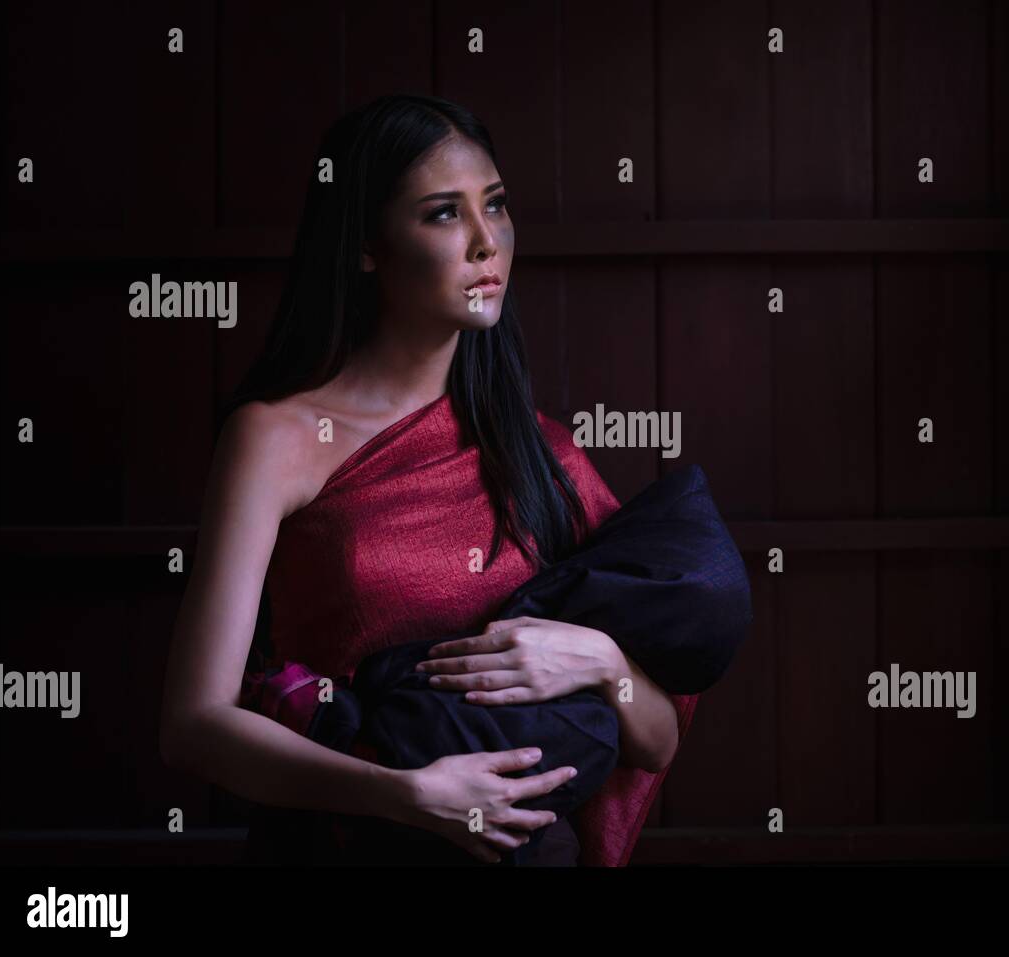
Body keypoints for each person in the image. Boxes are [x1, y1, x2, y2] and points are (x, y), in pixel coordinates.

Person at [158, 94, 682, 866]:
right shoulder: (276, 438)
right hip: (344, 844)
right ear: (367, 244)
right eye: (443, 214)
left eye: (496, 206)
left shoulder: (542, 452)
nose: (486, 243)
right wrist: (404, 792)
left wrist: (605, 664)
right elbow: (194, 723)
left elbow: (658, 736)